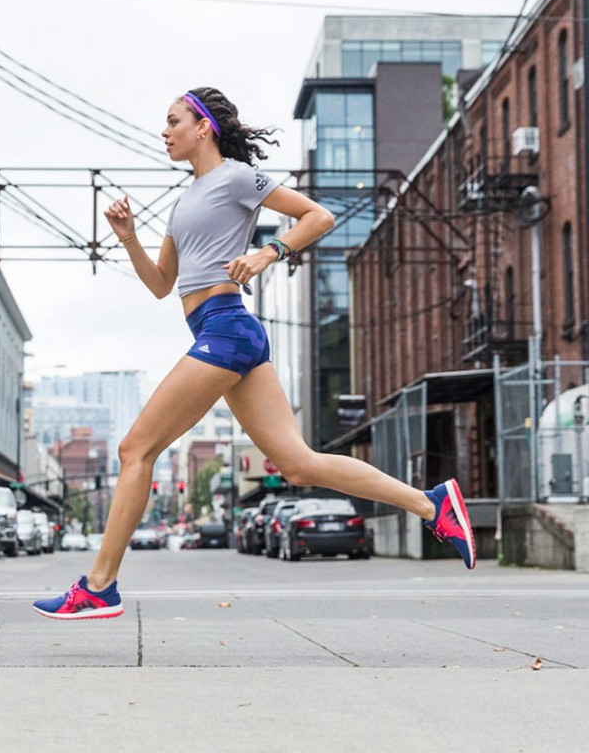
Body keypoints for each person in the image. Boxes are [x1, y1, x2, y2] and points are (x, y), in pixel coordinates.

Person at [33, 88, 475, 621]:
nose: (164, 131)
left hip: (227, 328)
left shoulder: (236, 178)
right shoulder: (183, 201)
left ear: (203, 127)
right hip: (221, 333)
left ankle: (99, 585)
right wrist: (128, 239)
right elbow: (160, 284)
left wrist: (269, 252)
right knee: (297, 464)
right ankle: (433, 504)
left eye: (173, 121)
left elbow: (319, 216)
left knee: (134, 450)